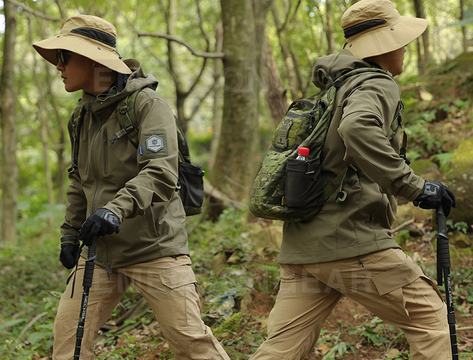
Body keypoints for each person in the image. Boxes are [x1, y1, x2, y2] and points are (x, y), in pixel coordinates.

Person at [250, 0, 456, 359]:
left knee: (281, 350)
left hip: (304, 250)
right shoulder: (377, 84)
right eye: (401, 41)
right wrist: (415, 187)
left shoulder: (335, 88)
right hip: (352, 243)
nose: (405, 49)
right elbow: (357, 127)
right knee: (429, 318)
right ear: (385, 44)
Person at [33, 15, 229, 360]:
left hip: (154, 248)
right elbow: (79, 179)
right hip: (100, 253)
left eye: (65, 57)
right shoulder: (80, 117)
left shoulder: (147, 106)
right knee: (68, 345)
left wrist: (113, 209)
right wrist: (69, 234)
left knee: (191, 344)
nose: (58, 66)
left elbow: (160, 171)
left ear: (93, 60)